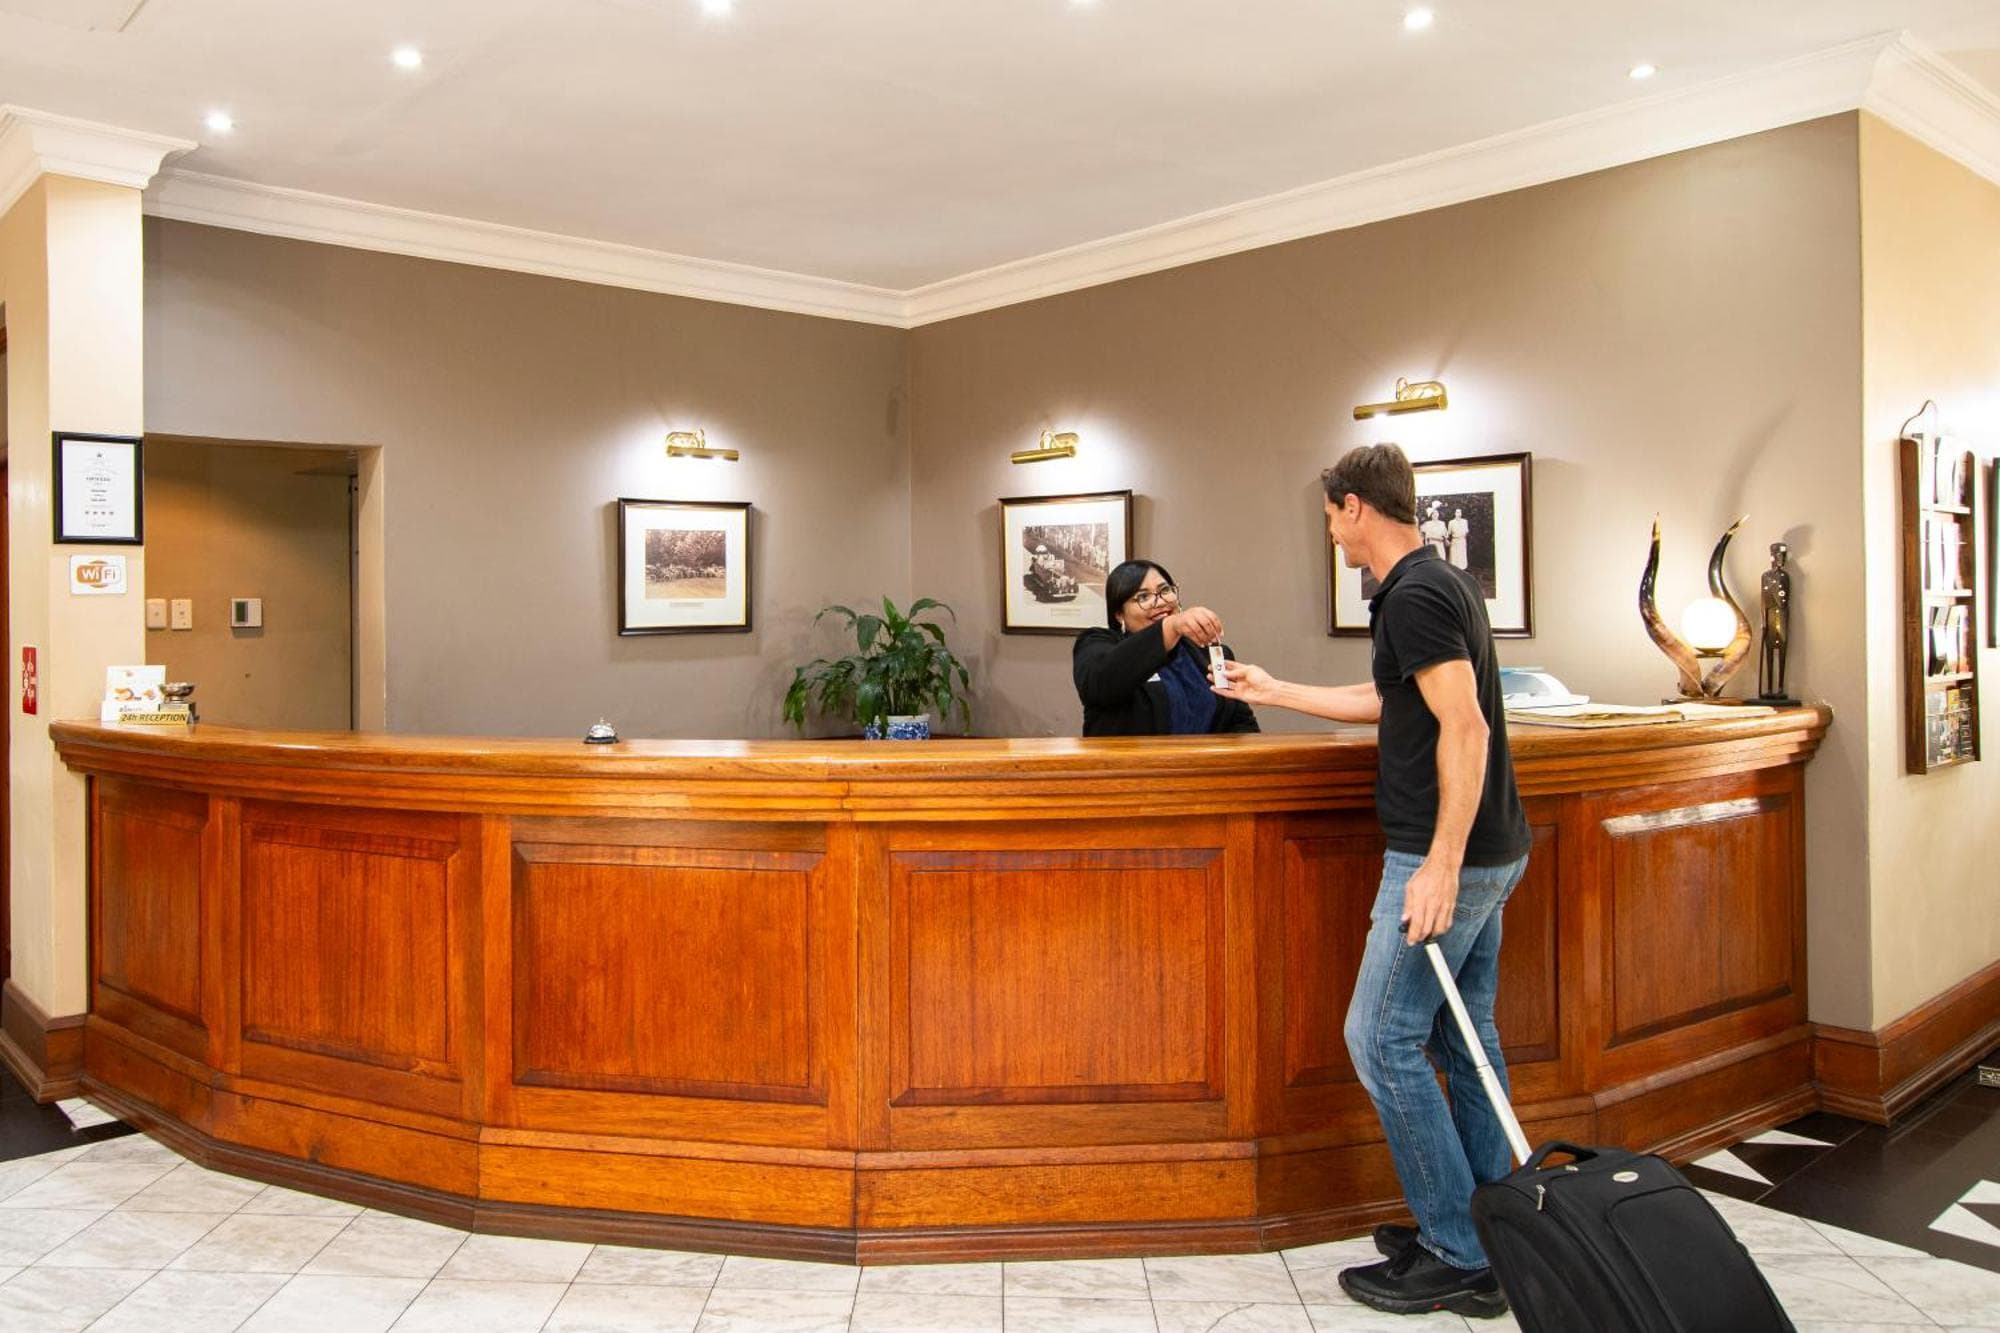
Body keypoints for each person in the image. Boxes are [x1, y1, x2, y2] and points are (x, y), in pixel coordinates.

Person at [1214, 443, 1529, 1320]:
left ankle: (1457, 1249)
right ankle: (1496, 1232)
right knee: (1464, 1040)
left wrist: (1439, 862)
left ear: (1355, 506)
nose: (1329, 533)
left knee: (1380, 1038)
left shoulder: (1416, 594)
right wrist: (1274, 688)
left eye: (1329, 516)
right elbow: (1399, 700)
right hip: (1490, 849)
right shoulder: (1437, 582)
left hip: (1446, 854)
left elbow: (1465, 728)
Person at [1072, 560, 1259, 736]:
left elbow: (1241, 724)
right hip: (1133, 760)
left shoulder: (1212, 654)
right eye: (1143, 597)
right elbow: (1103, 682)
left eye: (1165, 590)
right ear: (1119, 614)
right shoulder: (1096, 643)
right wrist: (1170, 626)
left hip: (1206, 760)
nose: (1161, 602)